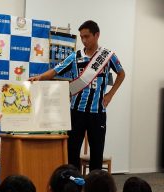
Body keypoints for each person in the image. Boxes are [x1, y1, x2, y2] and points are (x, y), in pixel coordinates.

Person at [29, 20, 125, 171]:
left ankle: (93, 191)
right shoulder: (75, 57)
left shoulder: (107, 56)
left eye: (87, 36)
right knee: (72, 153)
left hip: (98, 113)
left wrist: (110, 94)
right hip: (76, 112)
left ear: (97, 35)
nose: (84, 40)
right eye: (82, 37)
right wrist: (39, 77)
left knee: (96, 154)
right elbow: (56, 70)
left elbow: (121, 74)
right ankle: (73, 188)